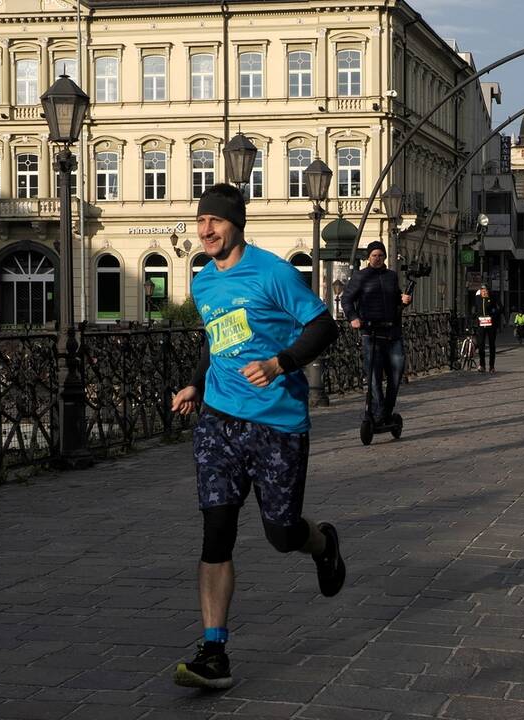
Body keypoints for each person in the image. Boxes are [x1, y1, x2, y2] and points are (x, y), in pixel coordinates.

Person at [169, 183, 344, 690]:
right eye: (200, 222)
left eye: (215, 222)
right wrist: (198, 385)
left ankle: (321, 542)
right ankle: (214, 651)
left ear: (235, 225)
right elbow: (214, 338)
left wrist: (279, 362)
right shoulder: (203, 283)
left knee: (281, 533)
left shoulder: (274, 272)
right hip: (219, 423)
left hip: (277, 423)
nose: (205, 231)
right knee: (215, 534)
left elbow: (323, 326)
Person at [340, 240, 414, 424]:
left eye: (381, 255)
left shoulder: (391, 276)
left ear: (385, 257)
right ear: (368, 258)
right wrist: (353, 318)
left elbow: (396, 300)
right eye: (374, 255)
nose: (377, 258)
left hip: (393, 332)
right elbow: (347, 300)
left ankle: (386, 411)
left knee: (396, 374)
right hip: (371, 332)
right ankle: (378, 409)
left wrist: (404, 300)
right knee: (373, 375)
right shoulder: (360, 277)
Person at [473, 284, 501, 372]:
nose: (484, 292)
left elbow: (500, 308)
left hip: (491, 325)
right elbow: (475, 308)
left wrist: (493, 314)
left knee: (492, 345)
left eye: (485, 290)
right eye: (482, 290)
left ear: (488, 291)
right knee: (481, 345)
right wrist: (475, 316)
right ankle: (482, 365)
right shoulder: (478, 298)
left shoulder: (493, 298)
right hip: (481, 324)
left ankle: (492, 366)